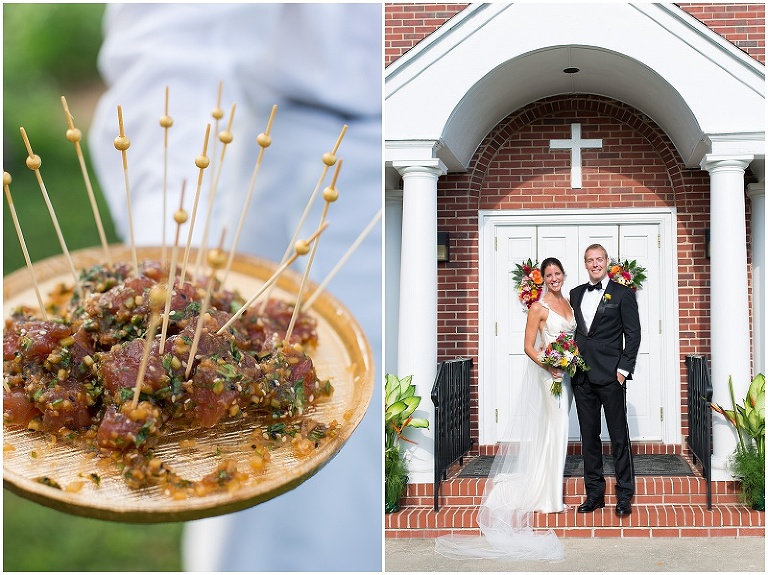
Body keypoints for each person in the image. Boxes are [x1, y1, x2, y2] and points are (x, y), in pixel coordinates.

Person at [88, 4, 382, 571]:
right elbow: (175, 34)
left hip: (394, 171)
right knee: (296, 531)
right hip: (302, 157)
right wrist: (165, 277)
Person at [434, 257, 575, 561]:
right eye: (549, 275)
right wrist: (550, 366)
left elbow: (571, 340)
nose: (554, 278)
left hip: (568, 377)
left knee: (555, 431)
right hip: (550, 376)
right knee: (558, 428)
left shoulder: (568, 302)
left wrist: (570, 361)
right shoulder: (538, 308)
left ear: (563, 275)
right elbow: (529, 346)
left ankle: (547, 485)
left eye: (557, 273)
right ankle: (549, 498)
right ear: (543, 279)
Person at [569, 244, 641, 518]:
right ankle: (594, 494)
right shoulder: (575, 294)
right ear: (585, 264)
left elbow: (633, 335)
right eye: (590, 260)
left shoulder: (622, 294)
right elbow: (573, 332)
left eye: (599, 259)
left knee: (619, 437)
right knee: (589, 438)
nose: (595, 264)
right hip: (582, 377)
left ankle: (624, 495)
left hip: (612, 377)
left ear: (607, 262)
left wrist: (623, 371)